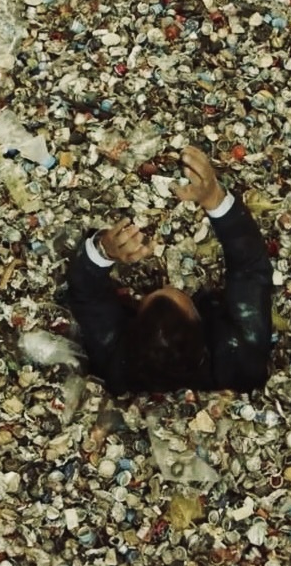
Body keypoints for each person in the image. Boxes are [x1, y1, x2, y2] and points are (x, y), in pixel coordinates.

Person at [66, 145, 273, 395]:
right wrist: (214, 199)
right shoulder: (240, 359)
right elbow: (249, 269)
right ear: (200, 320)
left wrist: (104, 250)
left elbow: (86, 294)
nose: (167, 284)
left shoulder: (116, 366)